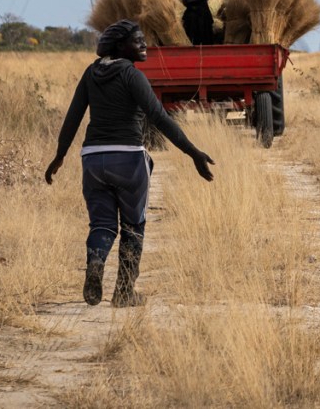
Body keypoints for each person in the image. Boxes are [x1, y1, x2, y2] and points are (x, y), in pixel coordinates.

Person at [45, 19, 215, 307]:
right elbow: (159, 117)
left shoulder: (90, 73)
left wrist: (60, 156)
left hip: (93, 160)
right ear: (120, 46)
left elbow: (73, 117)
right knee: (134, 226)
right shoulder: (132, 75)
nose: (144, 44)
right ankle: (124, 292)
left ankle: (96, 262)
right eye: (137, 40)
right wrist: (193, 152)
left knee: (102, 224)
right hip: (128, 159)